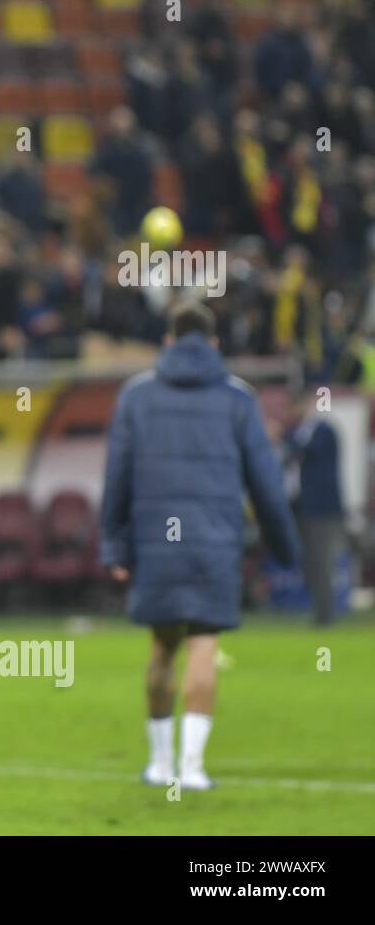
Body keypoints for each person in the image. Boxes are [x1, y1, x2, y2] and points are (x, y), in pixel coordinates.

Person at [100, 301, 301, 791]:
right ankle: (192, 769)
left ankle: (159, 764)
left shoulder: (136, 396)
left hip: (155, 544)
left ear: (167, 341)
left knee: (162, 650)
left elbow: (117, 478)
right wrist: (285, 547)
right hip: (215, 542)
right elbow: (266, 482)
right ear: (213, 344)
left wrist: (114, 547)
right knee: (203, 648)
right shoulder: (237, 398)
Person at [281, 389, 346, 626]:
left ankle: (326, 615)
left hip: (324, 509)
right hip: (305, 508)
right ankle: (321, 612)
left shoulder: (323, 430)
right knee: (311, 563)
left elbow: (310, 450)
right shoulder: (298, 433)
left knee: (322, 562)